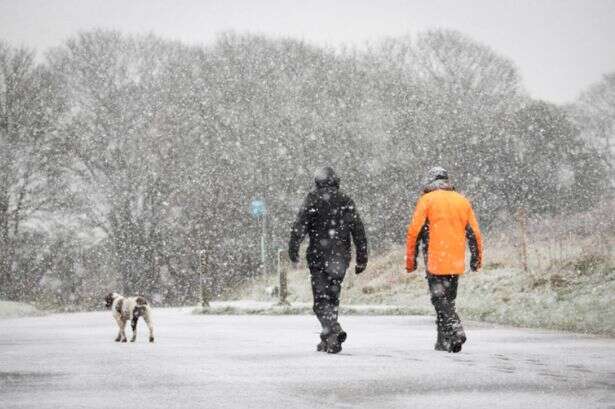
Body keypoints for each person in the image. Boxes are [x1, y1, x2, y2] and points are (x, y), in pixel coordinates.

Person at [289, 167, 368, 354]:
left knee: (320, 302)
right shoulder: (345, 200)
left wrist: (293, 249)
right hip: (340, 258)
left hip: (318, 257)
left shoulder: (313, 199)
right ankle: (330, 340)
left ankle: (333, 329)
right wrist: (361, 258)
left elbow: (299, 227)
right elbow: (358, 230)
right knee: (332, 298)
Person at [405, 167, 482, 353]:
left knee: (439, 299)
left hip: (435, 257)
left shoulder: (426, 200)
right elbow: (474, 233)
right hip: (455, 258)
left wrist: (411, 260)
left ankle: (454, 328)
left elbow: (414, 232)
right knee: (448, 299)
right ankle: (444, 341)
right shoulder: (461, 201)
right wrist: (476, 258)